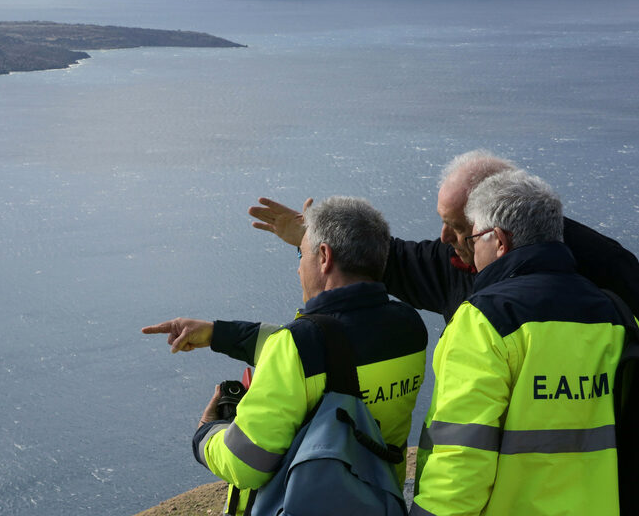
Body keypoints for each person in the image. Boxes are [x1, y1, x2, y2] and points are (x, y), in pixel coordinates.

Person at [144, 197, 428, 515]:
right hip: (377, 500)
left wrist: (207, 433)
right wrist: (216, 333)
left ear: (324, 257)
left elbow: (245, 463)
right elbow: (327, 350)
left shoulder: (299, 347)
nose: (297, 267)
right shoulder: (409, 326)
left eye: (301, 252)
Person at [410, 170, 623, 515]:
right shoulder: (617, 315)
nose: (468, 247)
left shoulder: (484, 321)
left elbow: (461, 459)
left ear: (498, 240)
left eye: (474, 237)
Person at [249, 149, 639, 321]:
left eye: (457, 227)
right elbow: (389, 261)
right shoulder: (459, 263)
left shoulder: (607, 271)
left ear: (496, 228)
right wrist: (317, 239)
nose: (444, 238)